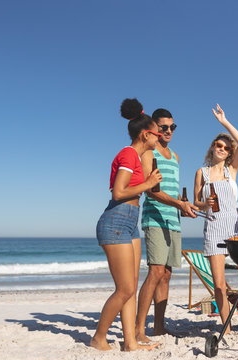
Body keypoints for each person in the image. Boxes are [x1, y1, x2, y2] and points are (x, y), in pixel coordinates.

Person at [90, 98, 163, 352]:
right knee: (125, 289)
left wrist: (149, 182)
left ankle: (130, 343)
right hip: (117, 219)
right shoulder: (128, 154)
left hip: (131, 221)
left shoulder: (139, 156)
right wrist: (149, 183)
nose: (160, 136)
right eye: (157, 133)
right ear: (146, 134)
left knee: (130, 287)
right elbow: (118, 192)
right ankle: (99, 337)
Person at [135, 108, 198, 342]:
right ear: (154, 128)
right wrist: (179, 204)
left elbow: (173, 190)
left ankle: (159, 327)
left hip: (173, 220)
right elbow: (152, 191)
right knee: (155, 272)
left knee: (167, 274)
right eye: (164, 127)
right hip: (155, 218)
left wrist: (185, 206)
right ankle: (139, 330)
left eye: (172, 127)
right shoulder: (149, 154)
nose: (169, 131)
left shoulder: (176, 156)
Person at [193, 104, 238, 339]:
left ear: (230, 152)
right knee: (218, 284)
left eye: (226, 147)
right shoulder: (202, 172)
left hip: (236, 226)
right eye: (218, 145)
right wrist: (204, 205)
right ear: (212, 148)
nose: (221, 149)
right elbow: (196, 201)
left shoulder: (233, 170)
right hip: (213, 226)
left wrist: (224, 122)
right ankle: (226, 326)